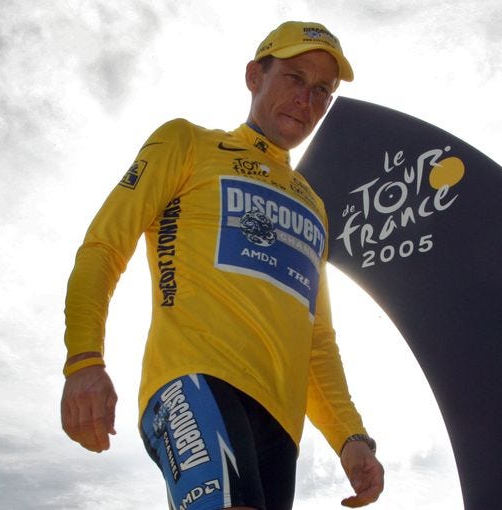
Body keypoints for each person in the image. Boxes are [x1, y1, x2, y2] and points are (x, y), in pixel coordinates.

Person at [60, 21, 384, 509]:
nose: (307, 99)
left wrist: (350, 437)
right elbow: (104, 246)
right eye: (295, 78)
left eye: (322, 90)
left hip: (280, 427)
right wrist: (84, 359)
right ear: (255, 75)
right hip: (193, 379)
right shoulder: (188, 143)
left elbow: (317, 342)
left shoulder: (314, 207)